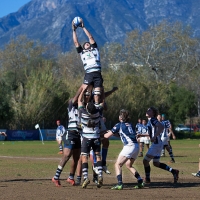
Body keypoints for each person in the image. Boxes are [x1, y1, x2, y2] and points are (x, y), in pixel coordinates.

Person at [104, 109, 144, 190]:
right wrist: (114, 133)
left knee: (117, 164)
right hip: (136, 147)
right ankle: (140, 181)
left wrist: (101, 134)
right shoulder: (130, 124)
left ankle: (119, 184)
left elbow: (106, 136)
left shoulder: (119, 125)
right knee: (129, 165)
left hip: (129, 146)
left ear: (121, 117)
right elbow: (124, 135)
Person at [142, 107, 179, 184]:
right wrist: (140, 134)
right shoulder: (150, 120)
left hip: (156, 144)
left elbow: (161, 127)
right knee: (156, 163)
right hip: (158, 144)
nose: (147, 111)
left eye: (149, 110)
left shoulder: (152, 119)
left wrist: (155, 136)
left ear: (153, 113)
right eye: (147, 110)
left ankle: (147, 179)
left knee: (145, 161)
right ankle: (174, 171)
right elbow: (151, 133)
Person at [72, 18, 103, 107]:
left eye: (88, 43)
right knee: (87, 93)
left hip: (97, 74)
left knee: (97, 94)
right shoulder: (82, 53)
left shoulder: (95, 50)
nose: (87, 44)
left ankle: (97, 107)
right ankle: (85, 106)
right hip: (89, 74)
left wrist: (83, 27)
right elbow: (76, 42)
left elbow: (90, 37)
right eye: (85, 44)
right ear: (84, 47)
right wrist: (74, 30)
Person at [78, 85, 103, 189]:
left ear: (87, 109)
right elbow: (101, 103)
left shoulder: (83, 113)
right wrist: (102, 94)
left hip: (86, 138)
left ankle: (85, 177)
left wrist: (83, 90)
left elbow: (79, 101)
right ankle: (100, 175)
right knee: (97, 156)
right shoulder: (98, 113)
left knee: (84, 156)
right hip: (96, 137)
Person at [52, 98, 82, 187]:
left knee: (76, 157)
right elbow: (73, 99)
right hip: (70, 134)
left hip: (78, 135)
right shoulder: (71, 108)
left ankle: (71, 177)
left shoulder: (82, 108)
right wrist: (83, 88)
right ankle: (56, 177)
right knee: (67, 155)